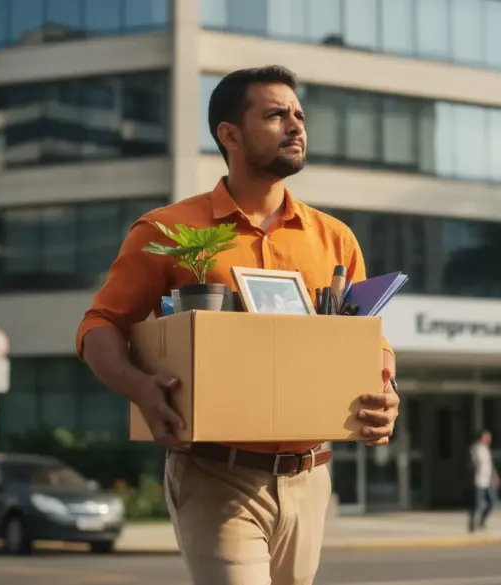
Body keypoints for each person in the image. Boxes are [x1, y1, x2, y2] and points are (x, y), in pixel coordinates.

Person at [75, 65, 399, 585]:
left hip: (312, 476)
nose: (295, 126)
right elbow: (100, 325)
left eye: (298, 115)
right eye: (275, 115)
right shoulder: (168, 229)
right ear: (229, 134)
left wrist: (387, 386)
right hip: (214, 473)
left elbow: (369, 341)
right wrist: (139, 388)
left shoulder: (336, 239)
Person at [468, 428, 499, 533]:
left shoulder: (486, 449)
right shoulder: (475, 448)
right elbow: (471, 464)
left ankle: (482, 520)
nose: (489, 439)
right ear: (482, 437)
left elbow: (490, 465)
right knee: (477, 504)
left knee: (491, 503)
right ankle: (472, 524)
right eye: (487, 437)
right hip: (478, 480)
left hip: (487, 480)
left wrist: (494, 476)